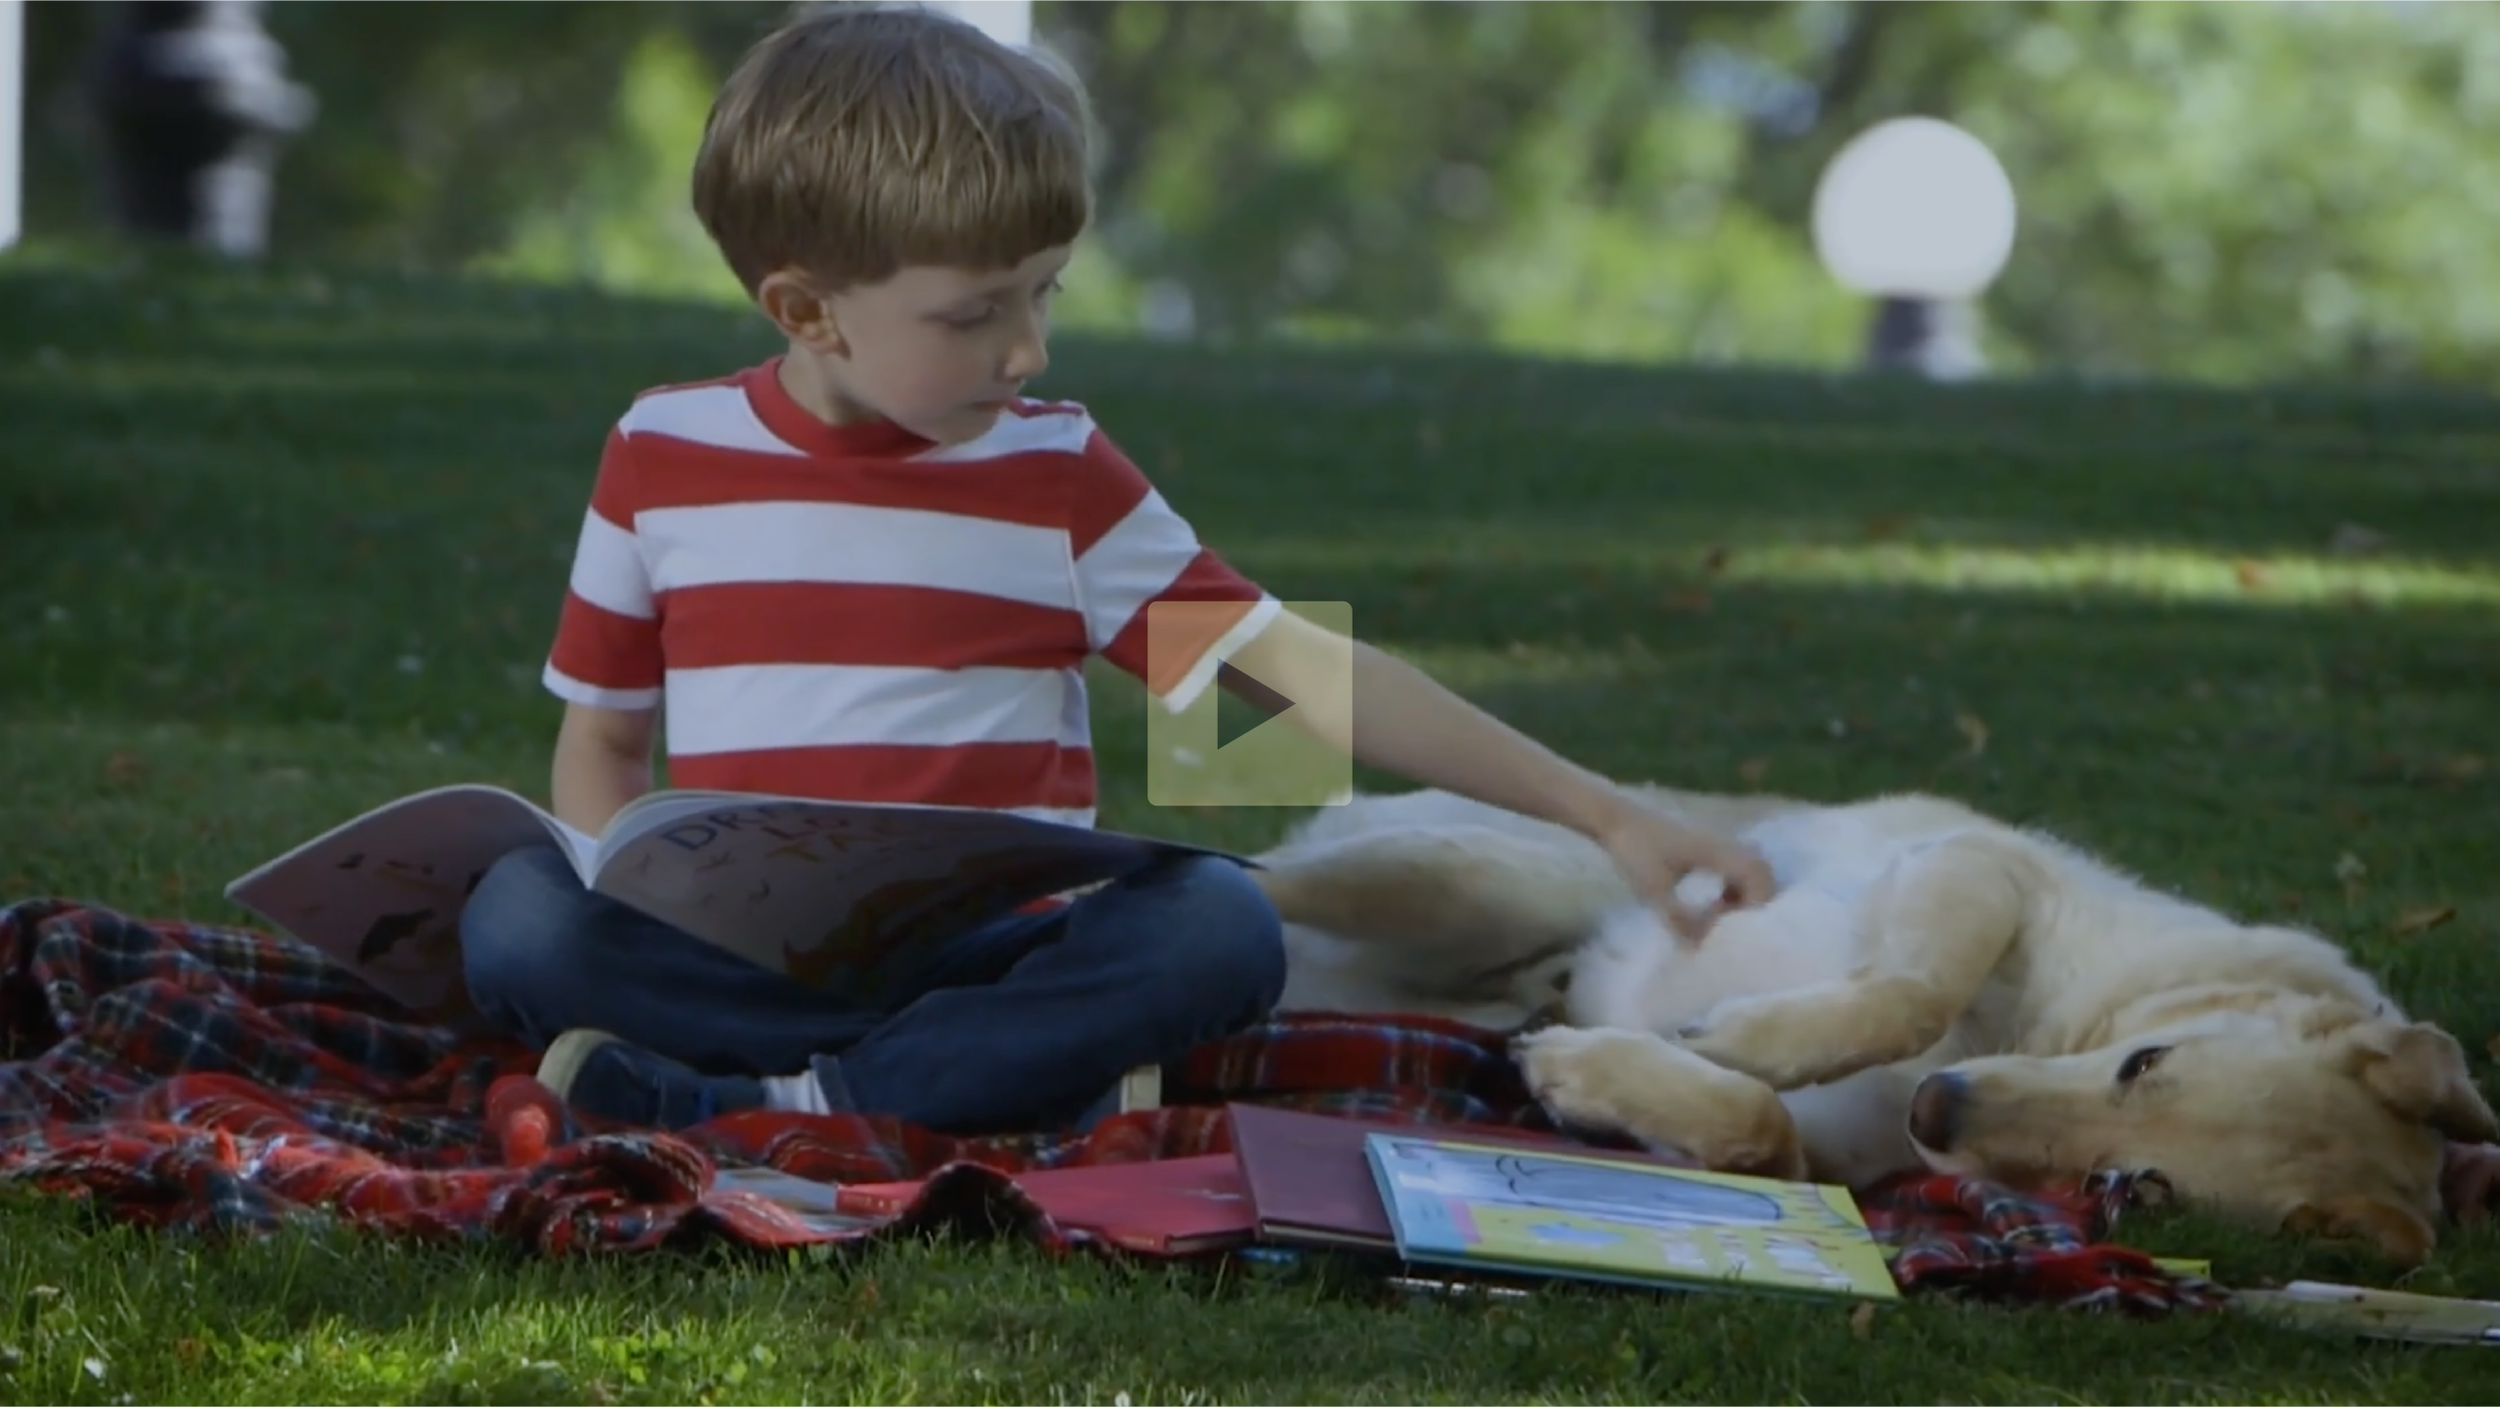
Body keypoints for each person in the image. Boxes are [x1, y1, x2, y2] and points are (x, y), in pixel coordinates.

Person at [456, 1, 1777, 1139]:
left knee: (1215, 924)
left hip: (989, 952)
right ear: (805, 311)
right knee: (517, 913)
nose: (1027, 350)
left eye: (1047, 294)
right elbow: (607, 744)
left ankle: (779, 1108)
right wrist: (606, 872)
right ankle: (951, 1091)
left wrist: (1607, 814)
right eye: (975, 314)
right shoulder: (661, 451)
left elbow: (1298, 679)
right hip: (736, 954)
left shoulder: (1056, 476)